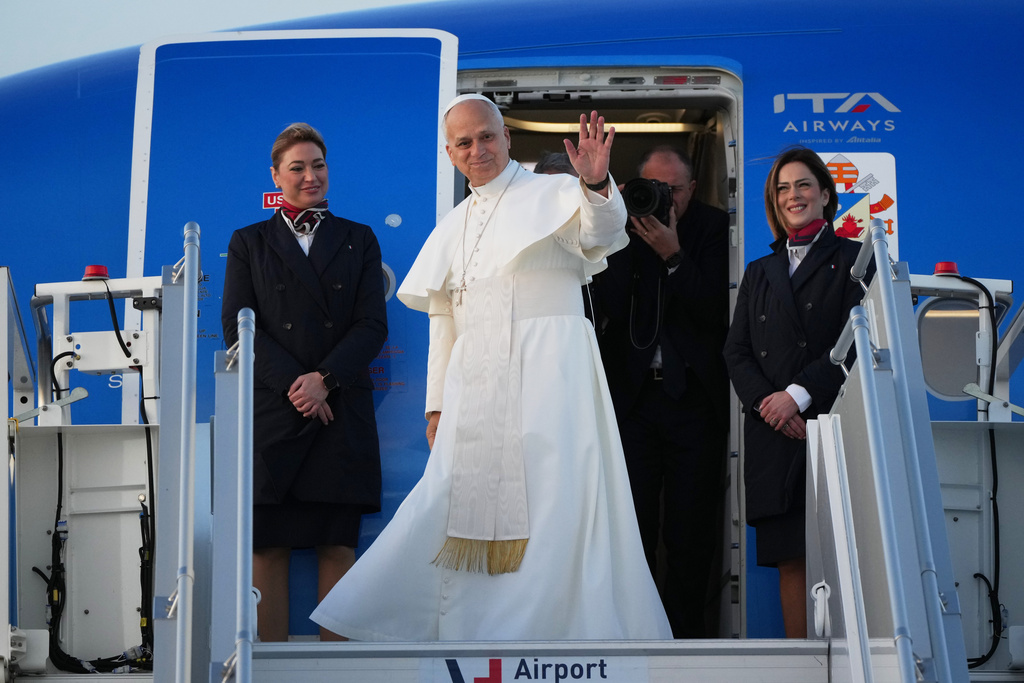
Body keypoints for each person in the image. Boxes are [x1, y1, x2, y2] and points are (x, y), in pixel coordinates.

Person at [311, 94, 672, 641]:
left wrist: (598, 185)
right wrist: (435, 404)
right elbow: (444, 321)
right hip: (475, 388)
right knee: (450, 501)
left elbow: (601, 234)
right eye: (464, 142)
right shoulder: (454, 224)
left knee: (554, 502)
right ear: (450, 154)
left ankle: (550, 634)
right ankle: (435, 628)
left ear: (506, 138)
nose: (477, 149)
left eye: (486, 136)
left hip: (550, 377)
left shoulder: (554, 191)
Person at [221, 122, 388, 642]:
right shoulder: (249, 242)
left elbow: (371, 326)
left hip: (339, 409)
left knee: (337, 545)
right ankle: (265, 671)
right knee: (267, 546)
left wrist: (325, 380)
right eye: (297, 167)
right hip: (276, 410)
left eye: (318, 165)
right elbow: (237, 327)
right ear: (276, 176)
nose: (310, 176)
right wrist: (300, 385)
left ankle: (336, 674)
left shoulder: (358, 238)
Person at [723, 146, 869, 638]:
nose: (793, 196)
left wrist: (799, 396)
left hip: (832, 427)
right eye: (783, 188)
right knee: (791, 562)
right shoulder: (759, 271)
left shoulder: (855, 260)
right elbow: (736, 352)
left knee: (846, 559)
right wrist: (772, 405)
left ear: (826, 194)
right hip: (775, 435)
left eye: (803, 185)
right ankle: (802, 665)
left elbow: (856, 342)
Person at [589, 146, 730, 638]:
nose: (663, 197)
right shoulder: (621, 227)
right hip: (633, 402)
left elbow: (716, 311)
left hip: (693, 401)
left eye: (673, 189)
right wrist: (624, 228)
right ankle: (636, 635)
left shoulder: (712, 229)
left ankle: (686, 639)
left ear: (692, 190)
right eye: (653, 186)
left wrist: (672, 253)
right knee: (634, 528)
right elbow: (605, 304)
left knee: (690, 532)